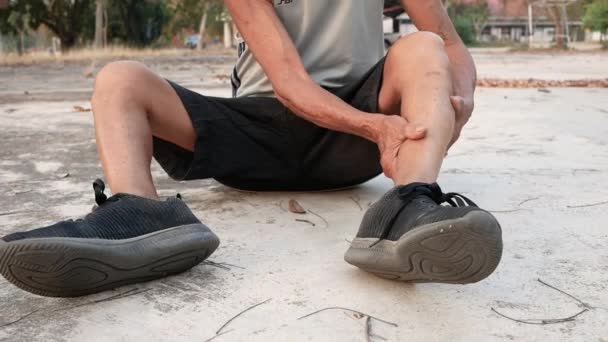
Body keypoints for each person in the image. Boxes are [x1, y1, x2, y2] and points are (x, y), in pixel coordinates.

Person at [0, 0, 502, 297]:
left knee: (425, 49)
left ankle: (407, 205)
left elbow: (451, 44)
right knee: (120, 80)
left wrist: (460, 99)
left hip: (351, 138)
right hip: (261, 131)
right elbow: (289, 84)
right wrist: (375, 128)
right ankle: (142, 215)